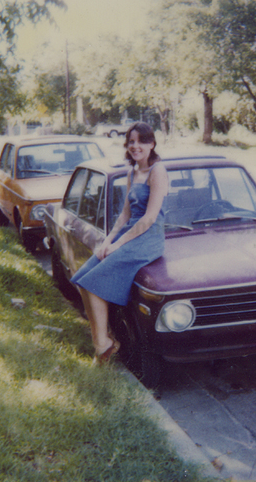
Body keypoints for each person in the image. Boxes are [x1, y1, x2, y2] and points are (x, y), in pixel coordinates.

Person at [71, 122, 168, 363]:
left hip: (148, 238)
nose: (135, 146)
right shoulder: (132, 172)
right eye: (131, 141)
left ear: (152, 144)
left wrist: (118, 245)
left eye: (141, 141)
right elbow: (125, 213)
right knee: (83, 279)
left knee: (93, 282)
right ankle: (103, 342)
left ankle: (102, 345)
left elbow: (149, 218)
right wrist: (108, 241)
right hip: (129, 233)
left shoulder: (158, 171)